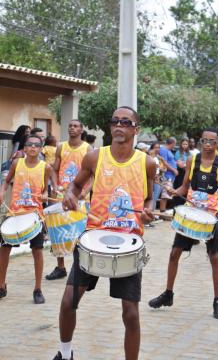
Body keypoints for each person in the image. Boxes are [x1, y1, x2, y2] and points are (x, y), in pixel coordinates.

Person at [52, 106, 156, 360]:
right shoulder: (95, 157)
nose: (119, 125)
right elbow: (75, 187)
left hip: (128, 245)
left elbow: (150, 199)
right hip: (93, 239)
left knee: (130, 313)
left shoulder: (147, 163)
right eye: (115, 121)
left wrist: (148, 211)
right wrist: (69, 196)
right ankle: (65, 354)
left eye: (126, 122)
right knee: (68, 302)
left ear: (136, 129)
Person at [148, 127, 218, 319]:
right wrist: (174, 191)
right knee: (174, 253)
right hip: (191, 214)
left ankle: (217, 300)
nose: (208, 144)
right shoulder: (192, 160)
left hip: (211, 217)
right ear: (200, 142)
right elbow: (185, 186)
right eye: (205, 141)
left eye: (212, 141)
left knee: (214, 257)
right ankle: (168, 294)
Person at [0, 135, 52, 303]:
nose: (32, 148)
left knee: (37, 251)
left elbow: (46, 190)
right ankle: (1, 285)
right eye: (29, 144)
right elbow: (7, 181)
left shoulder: (46, 167)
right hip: (14, 213)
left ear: (41, 148)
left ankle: (37, 289)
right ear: (24, 147)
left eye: (36, 145)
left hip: (34, 215)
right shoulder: (17, 163)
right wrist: (2, 191)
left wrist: (45, 194)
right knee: (4, 249)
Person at [45, 120, 92, 281]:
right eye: (70, 125)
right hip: (62, 195)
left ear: (81, 129)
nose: (72, 128)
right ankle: (61, 267)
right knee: (59, 231)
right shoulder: (61, 147)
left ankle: (80, 267)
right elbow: (54, 169)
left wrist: (85, 191)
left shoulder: (87, 148)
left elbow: (93, 174)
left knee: (79, 232)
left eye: (76, 126)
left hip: (80, 197)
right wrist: (55, 184)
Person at [159, 137, 178, 213]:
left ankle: (163, 211)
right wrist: (174, 170)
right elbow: (164, 162)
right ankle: (162, 211)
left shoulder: (168, 150)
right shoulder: (164, 150)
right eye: (175, 144)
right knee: (165, 193)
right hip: (167, 175)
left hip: (170, 175)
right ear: (172, 143)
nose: (174, 146)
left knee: (167, 193)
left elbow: (170, 161)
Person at [173, 138, 190, 207]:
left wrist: (185, 164)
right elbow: (179, 163)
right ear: (181, 144)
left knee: (186, 187)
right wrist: (184, 165)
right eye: (183, 144)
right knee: (179, 187)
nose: (185, 145)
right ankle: (176, 205)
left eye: (186, 144)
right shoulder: (178, 153)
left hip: (187, 172)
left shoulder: (189, 153)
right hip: (180, 173)